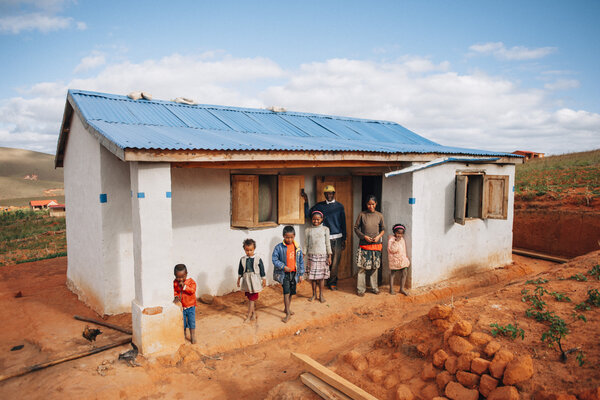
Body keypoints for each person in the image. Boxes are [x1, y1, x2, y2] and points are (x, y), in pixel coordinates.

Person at [301, 185, 346, 290]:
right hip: (324, 239)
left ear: (334, 194)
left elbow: (343, 223)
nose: (329, 195)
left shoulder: (340, 206)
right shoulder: (320, 206)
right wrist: (306, 201)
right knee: (323, 261)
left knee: (335, 262)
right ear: (324, 194)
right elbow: (308, 214)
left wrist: (344, 238)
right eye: (327, 193)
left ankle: (332, 282)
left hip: (338, 238)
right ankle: (322, 280)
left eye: (331, 193)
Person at [272, 225, 305, 323]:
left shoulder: (297, 247)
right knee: (286, 292)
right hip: (284, 274)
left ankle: (287, 308)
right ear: (283, 236)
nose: (289, 239)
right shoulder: (279, 247)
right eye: (287, 237)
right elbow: (274, 259)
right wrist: (283, 266)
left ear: (294, 236)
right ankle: (287, 314)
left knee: (291, 292)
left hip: (294, 274)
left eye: (291, 237)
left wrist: (300, 274)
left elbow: (300, 261)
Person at [354, 195, 385, 296]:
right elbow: (356, 228)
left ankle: (374, 287)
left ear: (376, 204)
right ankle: (360, 289)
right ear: (366, 204)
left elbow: (383, 229)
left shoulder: (379, 215)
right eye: (369, 204)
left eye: (372, 204)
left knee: (374, 267)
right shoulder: (362, 215)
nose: (370, 206)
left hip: (376, 245)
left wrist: (378, 237)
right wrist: (363, 237)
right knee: (362, 267)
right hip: (364, 245)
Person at [304, 210, 332, 303]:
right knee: (312, 278)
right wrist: (303, 253)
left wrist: (329, 256)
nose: (315, 221)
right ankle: (313, 294)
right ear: (311, 219)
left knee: (321, 278)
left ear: (322, 219)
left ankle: (321, 295)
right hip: (312, 256)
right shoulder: (308, 230)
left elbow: (328, 244)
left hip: (322, 256)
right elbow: (306, 244)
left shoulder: (325, 229)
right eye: (314, 219)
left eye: (318, 219)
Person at [237, 238, 266, 322]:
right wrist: (239, 279)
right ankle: (253, 314)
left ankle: (249, 316)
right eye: (247, 250)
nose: (249, 252)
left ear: (254, 249)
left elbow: (262, 269)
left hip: (254, 281)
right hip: (247, 281)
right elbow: (240, 270)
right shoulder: (242, 259)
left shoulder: (257, 259)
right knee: (250, 298)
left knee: (251, 299)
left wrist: (263, 279)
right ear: (244, 249)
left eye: (251, 250)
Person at [173, 263, 197, 343]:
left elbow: (192, 291)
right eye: (178, 277)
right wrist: (176, 297)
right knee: (182, 322)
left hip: (190, 306)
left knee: (191, 321)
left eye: (182, 277)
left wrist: (184, 287)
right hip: (182, 307)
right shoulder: (175, 283)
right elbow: (175, 291)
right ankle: (183, 334)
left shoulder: (191, 282)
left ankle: (192, 335)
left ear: (186, 274)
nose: (180, 279)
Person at [388, 223, 410, 295]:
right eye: (398, 233)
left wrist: (405, 257)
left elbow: (404, 249)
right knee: (392, 274)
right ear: (394, 232)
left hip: (402, 259)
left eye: (401, 233)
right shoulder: (391, 240)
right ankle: (391, 289)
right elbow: (392, 250)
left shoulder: (402, 239)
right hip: (394, 260)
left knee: (404, 273)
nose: (399, 235)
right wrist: (396, 242)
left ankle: (402, 289)